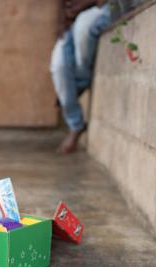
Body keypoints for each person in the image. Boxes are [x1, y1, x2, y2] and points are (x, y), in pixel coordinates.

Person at [50, 0, 112, 153]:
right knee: (58, 67)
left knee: (83, 27)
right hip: (70, 23)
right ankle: (76, 120)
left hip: (100, 8)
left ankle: (74, 122)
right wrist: (62, 22)